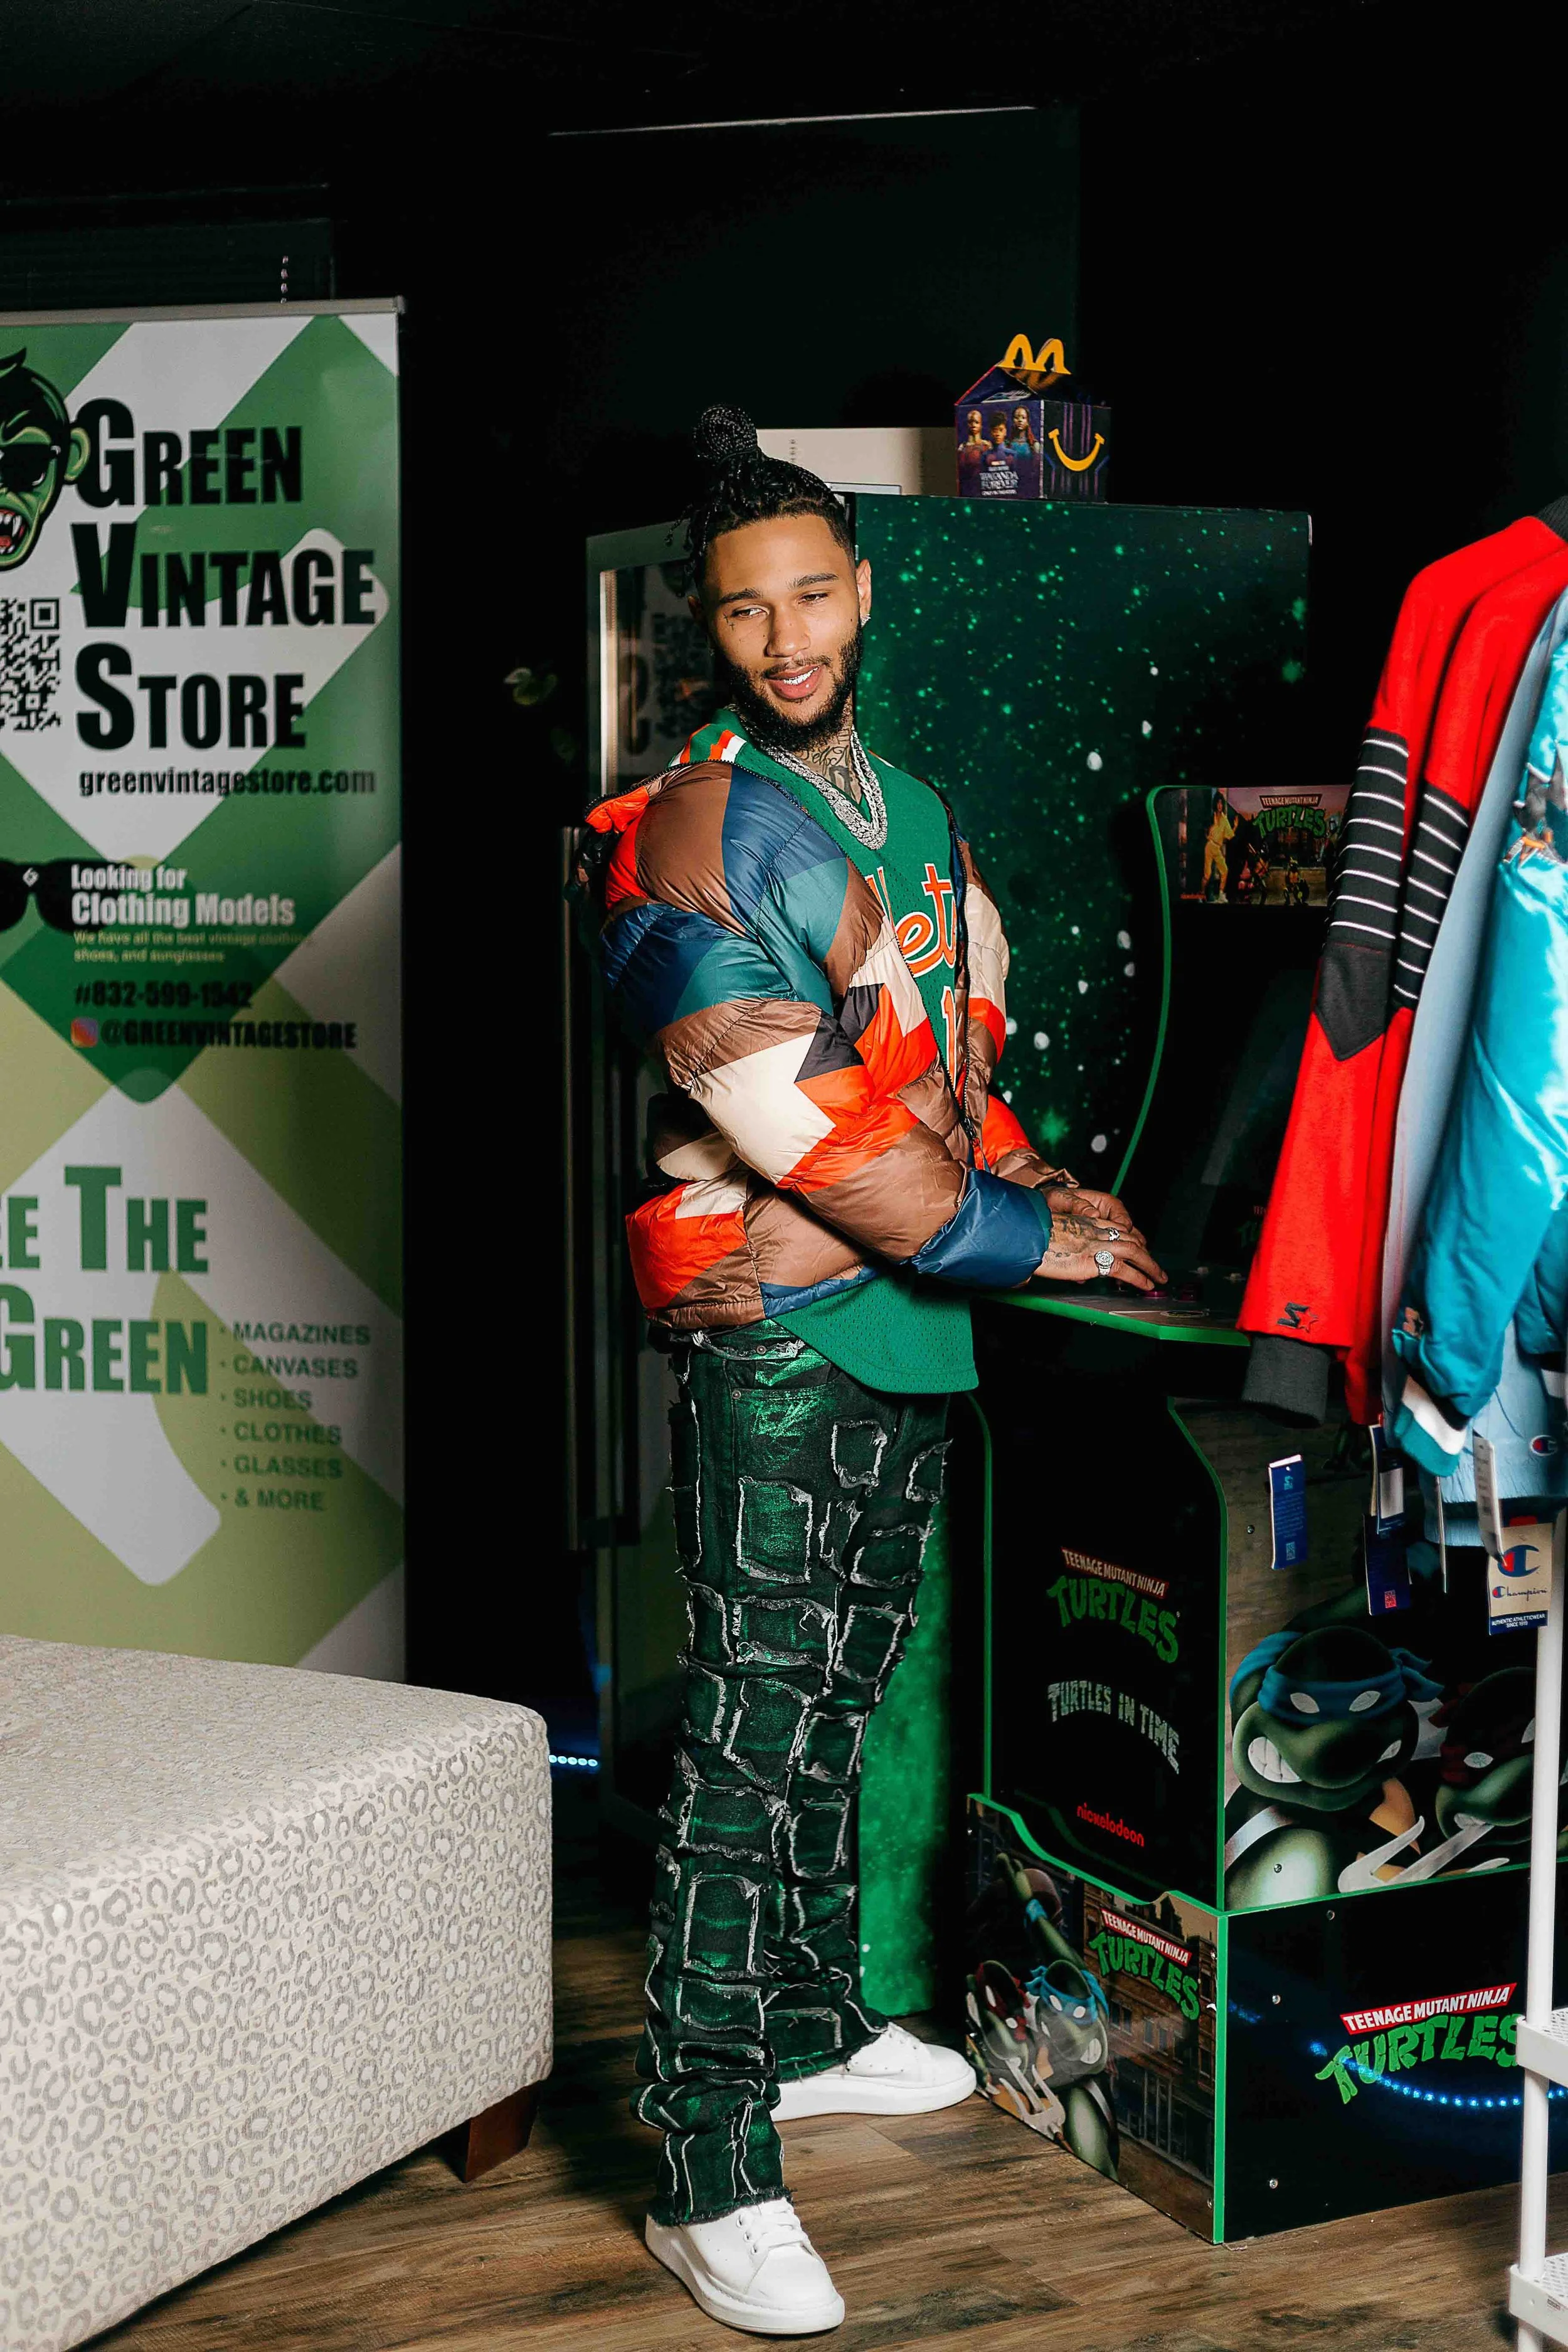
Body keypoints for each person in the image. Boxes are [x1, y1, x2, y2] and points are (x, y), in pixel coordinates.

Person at [580, 406, 1162, 2337]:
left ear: (863, 589)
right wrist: (1001, 1229)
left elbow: (955, 1054)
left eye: (812, 591)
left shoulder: (911, 809)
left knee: (830, 1701)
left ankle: (818, 2028)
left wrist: (1042, 1186)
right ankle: (707, 2160)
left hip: (894, 1324)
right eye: (743, 609)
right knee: (748, 1745)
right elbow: (784, 1105)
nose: (784, 634)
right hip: (781, 1338)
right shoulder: (695, 820)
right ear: (706, 631)